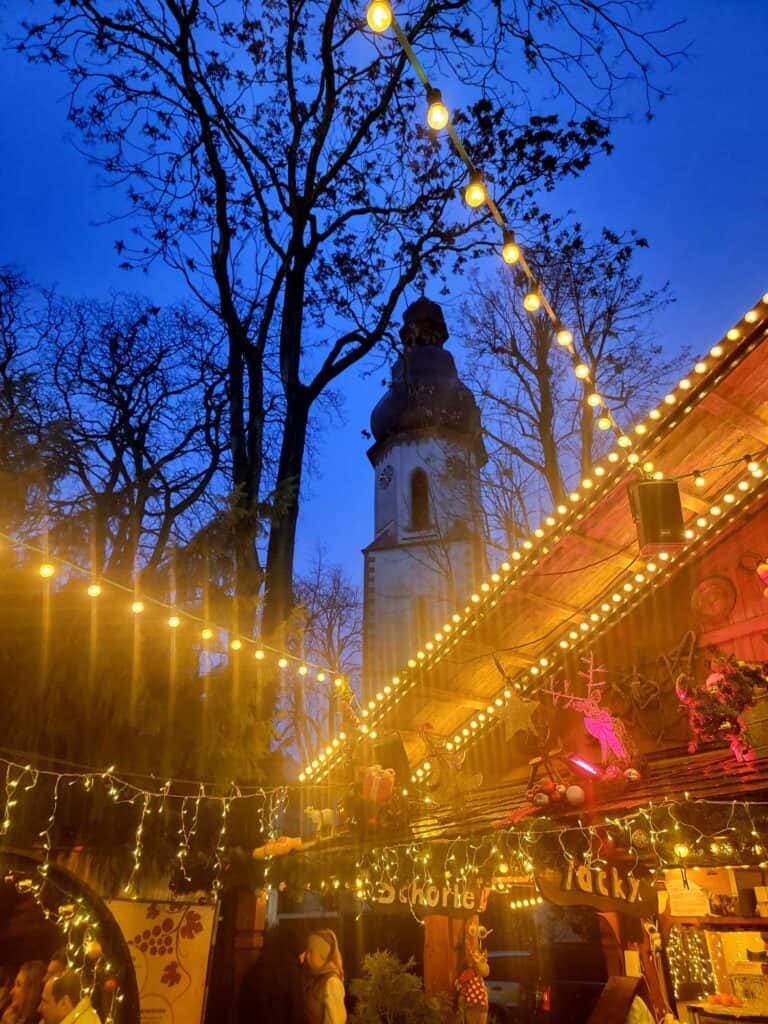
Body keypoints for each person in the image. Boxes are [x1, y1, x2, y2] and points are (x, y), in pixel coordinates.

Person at [300, 930, 346, 1024]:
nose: (306, 956)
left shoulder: (331, 982)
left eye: (311, 952)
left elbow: (336, 1022)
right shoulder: (313, 978)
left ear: (322, 956)